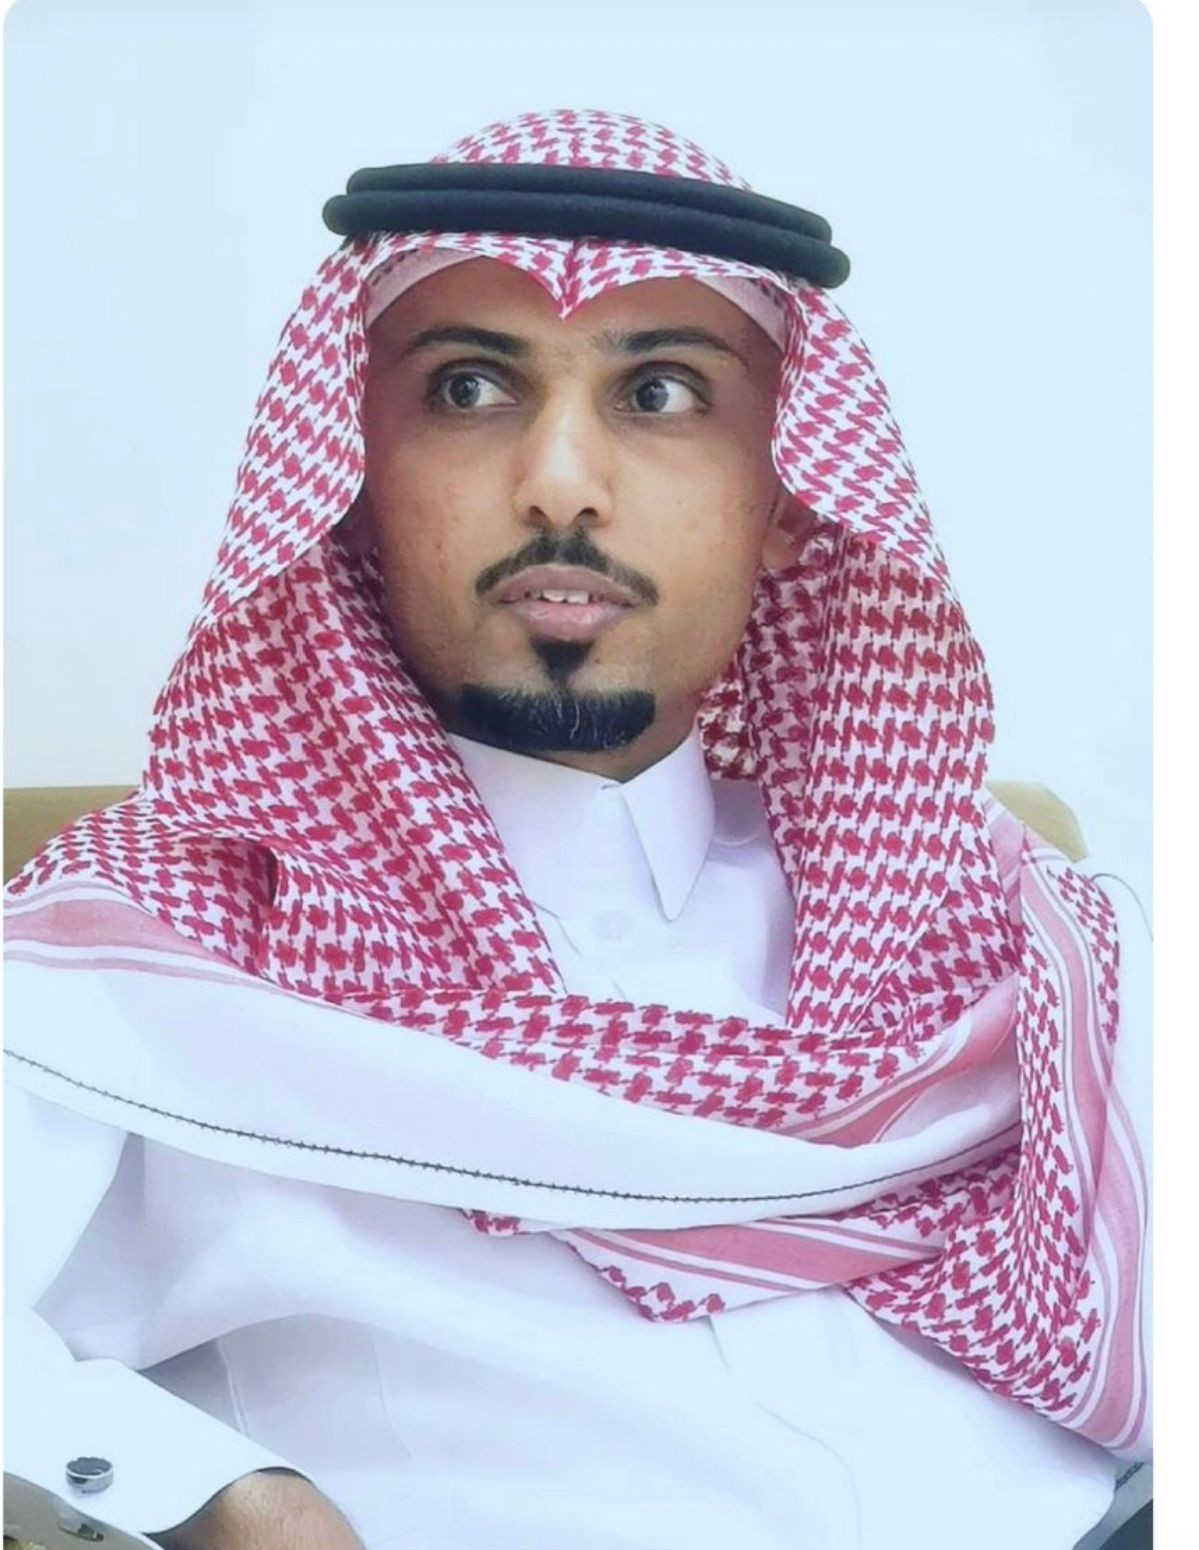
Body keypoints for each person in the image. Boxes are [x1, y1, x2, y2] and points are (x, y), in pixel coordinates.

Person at [3, 110, 1150, 1550]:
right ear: (352, 483)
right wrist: (219, 1495)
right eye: (470, 387)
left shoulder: (1000, 920)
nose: (559, 479)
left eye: (661, 392)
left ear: (790, 500)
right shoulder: (152, 948)